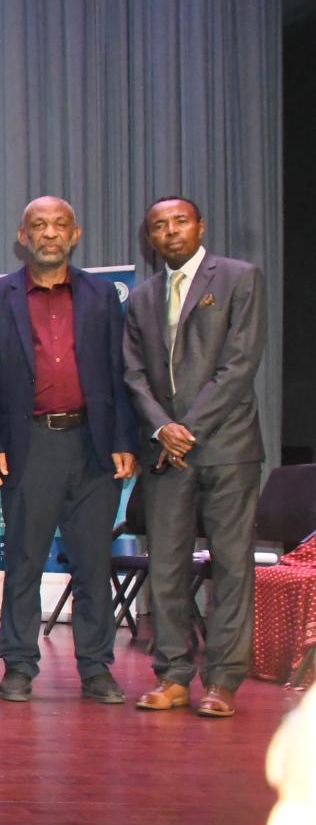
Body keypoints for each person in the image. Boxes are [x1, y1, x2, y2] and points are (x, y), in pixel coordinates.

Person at [0, 196, 138, 704]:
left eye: (58, 225)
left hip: (93, 447)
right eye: (38, 225)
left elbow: (119, 372)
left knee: (92, 564)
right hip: (27, 445)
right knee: (24, 561)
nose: (48, 234)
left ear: (75, 234)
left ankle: (96, 668)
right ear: (22, 236)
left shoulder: (103, 295)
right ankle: (18, 665)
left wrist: (125, 440)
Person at [123, 196, 265, 717]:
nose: (170, 232)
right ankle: (174, 675)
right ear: (150, 237)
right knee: (166, 566)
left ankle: (224, 681)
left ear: (200, 226)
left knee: (231, 564)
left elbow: (240, 362)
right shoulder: (140, 297)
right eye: (158, 225)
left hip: (227, 448)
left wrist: (190, 429)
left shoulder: (239, 278)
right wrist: (163, 429)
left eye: (180, 221)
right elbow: (133, 373)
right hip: (167, 454)